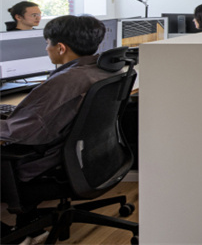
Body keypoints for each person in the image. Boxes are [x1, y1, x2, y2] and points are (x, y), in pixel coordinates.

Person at [0, 15, 118, 181]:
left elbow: (19, 131)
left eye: (48, 43)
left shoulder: (64, 81)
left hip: (43, 161)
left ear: (61, 48)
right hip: (88, 159)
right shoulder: (103, 70)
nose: (46, 48)